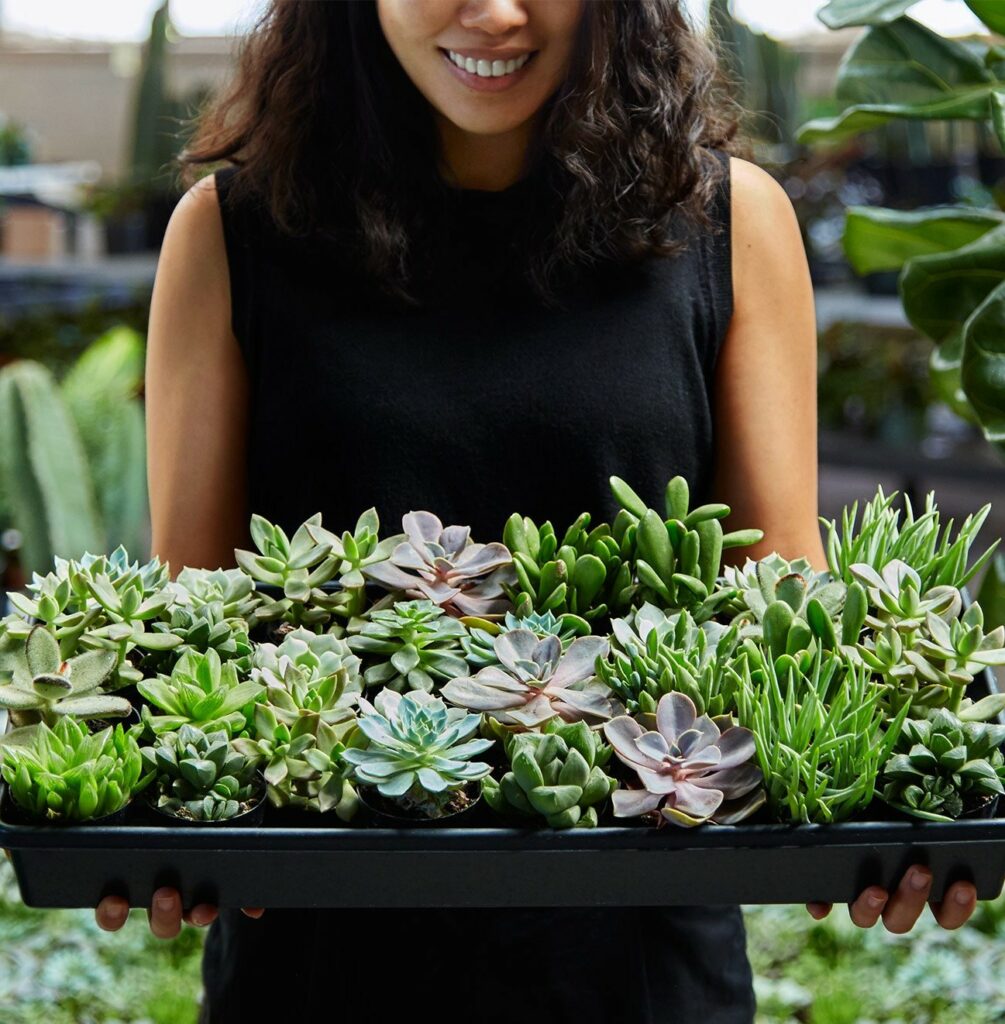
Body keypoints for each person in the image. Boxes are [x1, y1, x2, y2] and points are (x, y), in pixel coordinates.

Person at [94, 1, 981, 1021]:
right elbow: (188, 632)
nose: (498, 13)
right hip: (320, 964)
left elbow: (786, 620)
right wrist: (152, 828)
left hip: (640, 967)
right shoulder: (232, 235)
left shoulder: (730, 226)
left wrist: (894, 817)